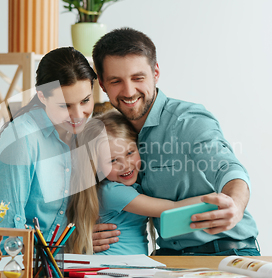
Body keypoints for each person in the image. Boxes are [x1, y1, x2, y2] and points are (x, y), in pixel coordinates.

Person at [90, 28, 260, 256]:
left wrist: (235, 205)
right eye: (116, 81)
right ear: (101, 83)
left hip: (225, 253)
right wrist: (83, 233)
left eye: (138, 78)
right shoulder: (111, 132)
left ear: (156, 73)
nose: (129, 91)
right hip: (168, 257)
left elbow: (227, 168)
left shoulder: (188, 121)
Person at [0, 47, 96, 254]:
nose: (78, 114)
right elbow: (7, 232)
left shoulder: (81, 136)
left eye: (85, 101)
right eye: (65, 105)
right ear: (43, 97)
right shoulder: (23, 139)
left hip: (42, 266)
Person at [66, 110, 203, 255]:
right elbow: (172, 209)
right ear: (96, 166)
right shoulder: (113, 192)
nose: (125, 165)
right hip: (116, 268)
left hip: (126, 266)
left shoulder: (125, 187)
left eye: (130, 153)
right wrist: (220, 197)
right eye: (113, 160)